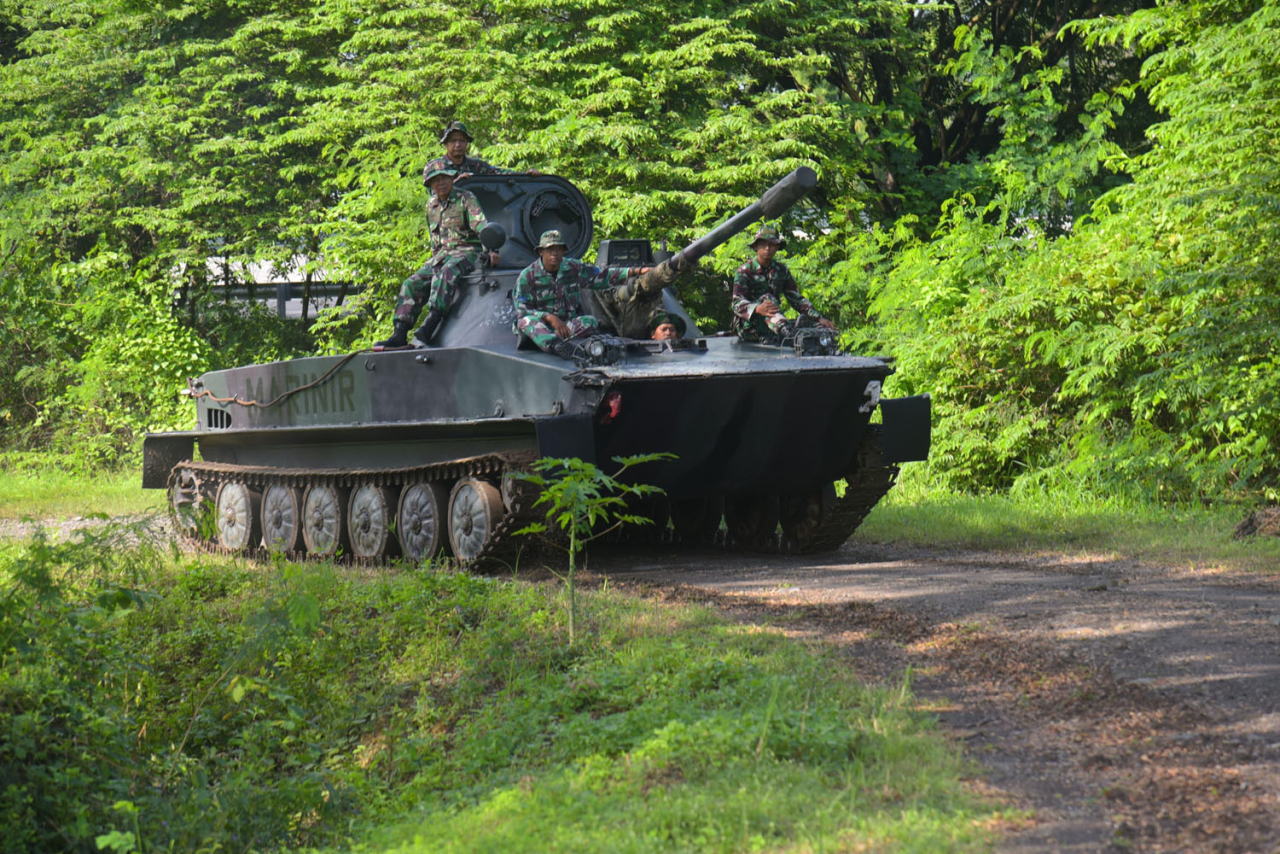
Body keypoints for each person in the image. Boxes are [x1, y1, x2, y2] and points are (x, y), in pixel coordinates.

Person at [375, 167, 499, 348]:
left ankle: (431, 323)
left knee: (445, 274)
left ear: (451, 178)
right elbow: (435, 241)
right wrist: (433, 263)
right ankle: (399, 333)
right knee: (411, 283)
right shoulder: (431, 205)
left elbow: (481, 226)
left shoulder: (466, 198)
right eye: (435, 180)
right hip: (442, 255)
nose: (441, 183)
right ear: (430, 184)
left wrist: (492, 250)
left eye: (444, 178)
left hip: (468, 251)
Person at [513, 230, 651, 358]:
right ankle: (555, 345)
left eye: (559, 249)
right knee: (525, 322)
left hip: (565, 327)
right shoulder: (528, 276)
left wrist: (636, 271)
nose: (554, 253)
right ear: (541, 252)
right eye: (550, 249)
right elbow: (522, 310)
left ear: (563, 251)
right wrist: (549, 317)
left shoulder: (573, 268)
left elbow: (603, 275)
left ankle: (551, 342)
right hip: (540, 326)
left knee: (590, 321)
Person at [731, 224, 835, 342]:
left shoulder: (781, 270)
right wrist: (757, 309)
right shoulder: (745, 271)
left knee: (816, 328)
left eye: (772, 245)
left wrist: (818, 318)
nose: (767, 248)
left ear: (777, 247)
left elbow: (796, 299)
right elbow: (736, 302)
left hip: (773, 325)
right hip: (749, 328)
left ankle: (788, 331)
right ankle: (787, 332)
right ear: (756, 246)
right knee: (767, 299)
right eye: (763, 244)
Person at [422, 120, 541, 183]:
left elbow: (499, 174)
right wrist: (456, 183)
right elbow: (435, 194)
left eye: (462, 141)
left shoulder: (477, 166)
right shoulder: (435, 167)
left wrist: (526, 175)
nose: (457, 144)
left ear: (467, 143)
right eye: (453, 141)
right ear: (446, 144)